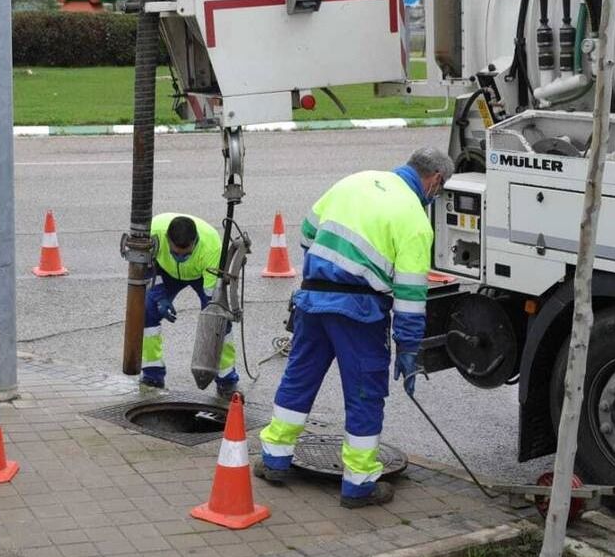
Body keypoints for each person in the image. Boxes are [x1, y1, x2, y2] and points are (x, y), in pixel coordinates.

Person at [255, 147, 453, 508]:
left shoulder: (356, 180)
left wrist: (324, 274)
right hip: (360, 314)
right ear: (435, 181)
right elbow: (410, 296)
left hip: (313, 302)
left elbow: (307, 233)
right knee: (365, 393)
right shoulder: (414, 219)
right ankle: (359, 484)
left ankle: (274, 460)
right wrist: (408, 349)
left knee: (299, 378)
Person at [140, 213, 239, 393]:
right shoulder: (153, 234)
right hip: (165, 271)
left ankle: (226, 379)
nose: (180, 257)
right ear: (167, 240)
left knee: (220, 321)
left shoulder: (211, 249)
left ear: (195, 242)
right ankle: (152, 374)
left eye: (186, 254)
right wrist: (159, 297)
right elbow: (147, 269)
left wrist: (212, 316)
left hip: (201, 275)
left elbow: (212, 298)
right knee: (146, 311)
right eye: (175, 253)